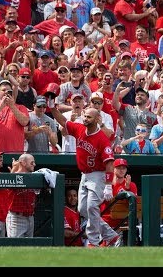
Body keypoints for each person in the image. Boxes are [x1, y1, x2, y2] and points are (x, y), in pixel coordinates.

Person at [49, 102, 120, 248]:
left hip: (98, 174)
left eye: (89, 117)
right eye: (85, 116)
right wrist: (52, 108)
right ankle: (110, 235)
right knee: (82, 209)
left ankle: (93, 242)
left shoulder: (102, 139)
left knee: (92, 207)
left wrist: (107, 186)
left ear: (97, 119)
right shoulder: (79, 128)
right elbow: (63, 121)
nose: (85, 119)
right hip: (85, 174)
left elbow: (109, 163)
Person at [100, 158, 138, 244]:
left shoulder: (131, 185)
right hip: (106, 224)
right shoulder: (106, 184)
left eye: (123, 168)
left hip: (122, 224)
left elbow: (133, 205)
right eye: (119, 168)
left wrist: (127, 188)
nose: (121, 170)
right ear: (113, 169)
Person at [6, 153, 38, 238]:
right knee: (15, 247)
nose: (34, 164)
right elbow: (9, 185)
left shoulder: (34, 177)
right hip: (17, 217)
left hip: (30, 217)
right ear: (23, 163)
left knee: (29, 248)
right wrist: (14, 170)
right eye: (32, 162)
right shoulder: (14, 176)